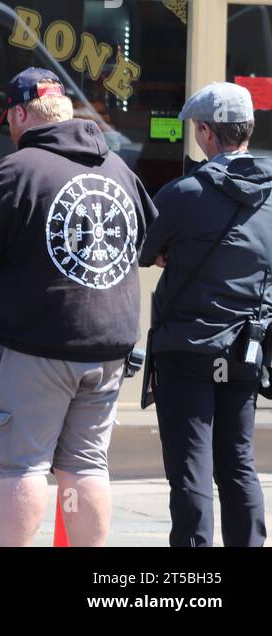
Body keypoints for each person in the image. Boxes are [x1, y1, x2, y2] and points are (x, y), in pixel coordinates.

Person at [0, 68, 157, 547]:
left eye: (9, 118)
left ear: (22, 113)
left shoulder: (19, 170)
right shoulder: (118, 168)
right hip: (109, 348)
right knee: (84, 466)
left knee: (23, 466)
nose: (9, 129)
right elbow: (147, 240)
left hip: (34, 347)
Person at [139, 81, 270, 547]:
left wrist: (168, 254)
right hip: (245, 348)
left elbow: (144, 251)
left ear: (207, 133)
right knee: (238, 462)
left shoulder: (184, 193)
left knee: (191, 467)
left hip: (186, 348)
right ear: (248, 131)